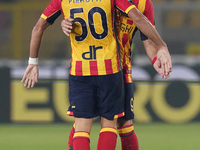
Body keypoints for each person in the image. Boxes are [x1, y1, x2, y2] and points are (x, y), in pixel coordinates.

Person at [21, 0, 171, 150]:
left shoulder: (144, 4)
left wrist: (156, 58)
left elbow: (148, 39)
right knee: (99, 123)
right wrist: (64, 22)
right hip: (110, 68)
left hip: (118, 67)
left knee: (120, 124)